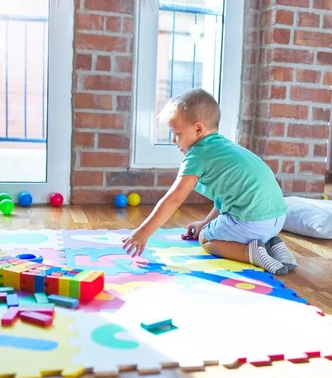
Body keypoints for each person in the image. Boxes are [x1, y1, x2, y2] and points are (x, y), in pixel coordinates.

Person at [122, 88, 296, 275]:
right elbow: (224, 201)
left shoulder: (197, 155)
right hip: (277, 218)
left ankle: (250, 253)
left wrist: (143, 232)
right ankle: (273, 244)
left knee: (205, 239)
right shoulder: (223, 146)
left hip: (252, 221)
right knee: (214, 227)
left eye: (177, 133)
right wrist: (205, 221)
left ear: (198, 129)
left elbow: (174, 199)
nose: (174, 141)